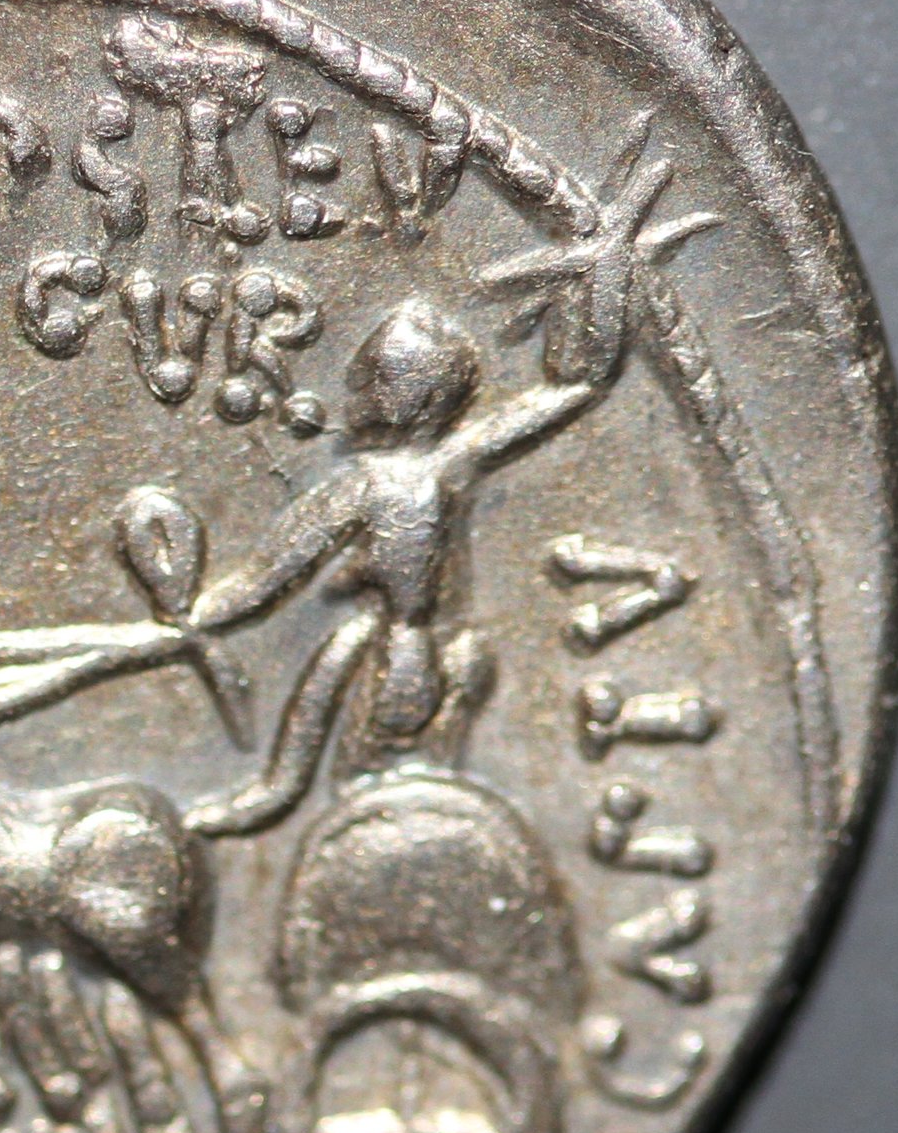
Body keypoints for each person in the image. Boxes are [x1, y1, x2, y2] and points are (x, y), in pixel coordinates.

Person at [183, 294, 619, 836]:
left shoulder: (366, 484)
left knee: (359, 791)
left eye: (372, 378)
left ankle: (278, 797)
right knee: (426, 792)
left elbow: (272, 575)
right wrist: (602, 298)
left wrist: (203, 615)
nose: (354, 386)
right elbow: (569, 392)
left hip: (395, 661)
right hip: (458, 656)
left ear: (415, 397)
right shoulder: (454, 463)